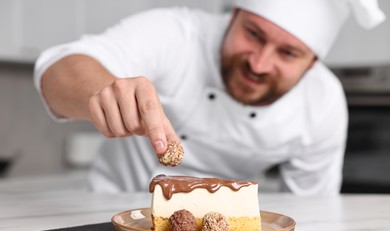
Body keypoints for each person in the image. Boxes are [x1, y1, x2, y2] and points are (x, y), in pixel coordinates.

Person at [34, 0, 385, 195]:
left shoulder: (323, 103)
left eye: (288, 54)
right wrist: (102, 90)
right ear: (232, 15)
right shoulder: (174, 33)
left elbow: (314, 211)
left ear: (313, 64)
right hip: (109, 216)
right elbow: (60, 67)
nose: (259, 63)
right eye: (253, 33)